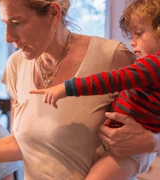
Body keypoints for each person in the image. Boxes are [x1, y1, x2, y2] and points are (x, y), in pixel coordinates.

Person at [0, 0, 154, 179]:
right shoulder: (16, 66)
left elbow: (146, 126)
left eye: (17, 23)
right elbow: (24, 143)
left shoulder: (111, 57)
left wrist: (154, 142)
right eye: (5, 24)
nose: (8, 37)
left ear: (53, 13)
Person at [29, 0, 160, 179]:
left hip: (127, 152)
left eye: (139, 34)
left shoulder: (154, 65)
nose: (132, 42)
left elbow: (113, 80)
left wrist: (66, 88)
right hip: (116, 144)